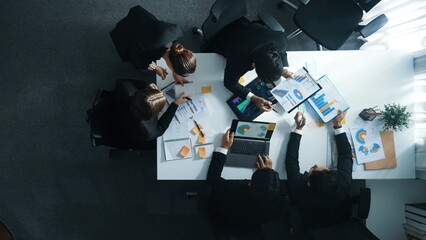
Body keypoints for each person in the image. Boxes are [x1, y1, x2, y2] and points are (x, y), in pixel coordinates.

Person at [206, 129, 288, 237]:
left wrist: (223, 148)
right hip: (251, 224)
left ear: (250, 184)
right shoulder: (280, 203)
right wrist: (267, 174)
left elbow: (213, 178)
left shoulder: (231, 191)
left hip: (222, 214)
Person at [205, 18, 296, 112]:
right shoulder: (239, 60)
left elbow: (282, 52)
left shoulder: (281, 42)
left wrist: (284, 71)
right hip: (224, 38)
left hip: (242, 23)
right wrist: (255, 98)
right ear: (254, 65)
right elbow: (230, 83)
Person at [110, 5, 196, 84]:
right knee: (145, 70)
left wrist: (175, 72)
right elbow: (140, 62)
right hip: (129, 32)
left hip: (141, 17)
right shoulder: (149, 49)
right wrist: (155, 68)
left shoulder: (175, 30)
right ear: (171, 66)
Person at [285, 110, 353, 210]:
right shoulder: (343, 183)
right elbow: (346, 154)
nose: (316, 165)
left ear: (308, 183)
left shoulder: (297, 187)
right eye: (325, 170)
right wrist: (337, 125)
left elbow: (291, 160)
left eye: (312, 170)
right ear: (333, 173)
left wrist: (298, 128)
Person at [115, 80, 189, 149]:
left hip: (119, 109)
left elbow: (131, 83)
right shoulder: (150, 131)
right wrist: (175, 104)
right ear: (155, 114)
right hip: (129, 138)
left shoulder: (126, 87)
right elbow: (161, 128)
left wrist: (147, 87)